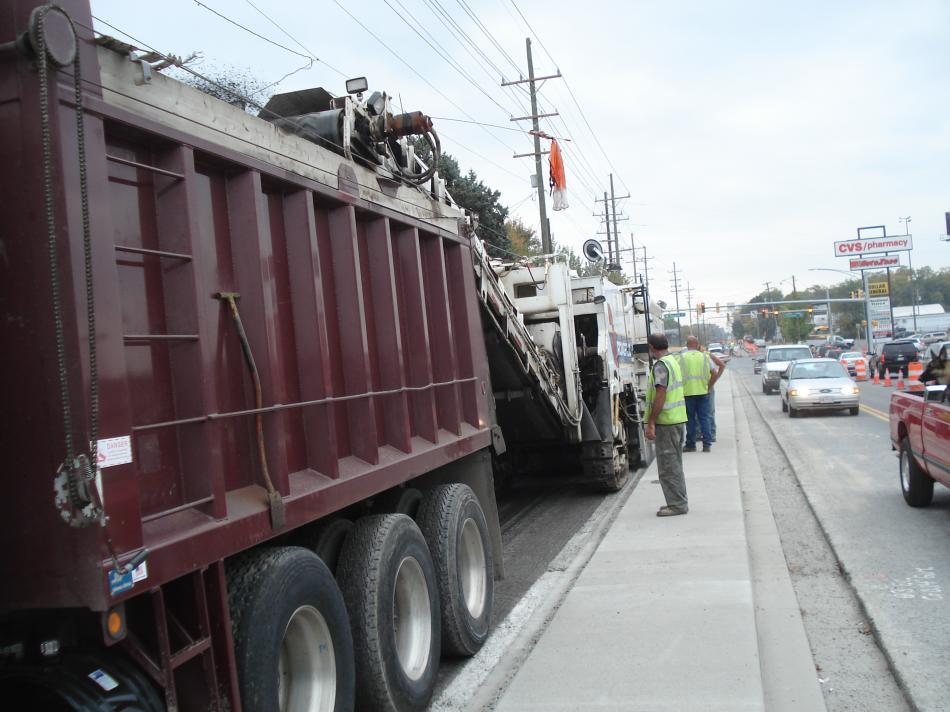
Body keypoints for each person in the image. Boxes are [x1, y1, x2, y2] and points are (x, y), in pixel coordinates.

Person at [644, 333, 689, 516]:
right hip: (676, 421)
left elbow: (660, 394)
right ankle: (678, 501)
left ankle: (677, 505)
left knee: (668, 466)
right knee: (674, 464)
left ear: (652, 347)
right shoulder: (672, 361)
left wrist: (651, 422)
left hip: (667, 423)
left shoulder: (661, 366)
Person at [679, 337, 724, 452]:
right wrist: (708, 387)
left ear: (687, 344)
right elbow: (714, 373)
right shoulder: (705, 356)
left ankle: (691, 444)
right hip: (703, 393)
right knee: (705, 418)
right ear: (697, 344)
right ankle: (707, 445)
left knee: (690, 420)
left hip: (688, 393)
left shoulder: (682, 358)